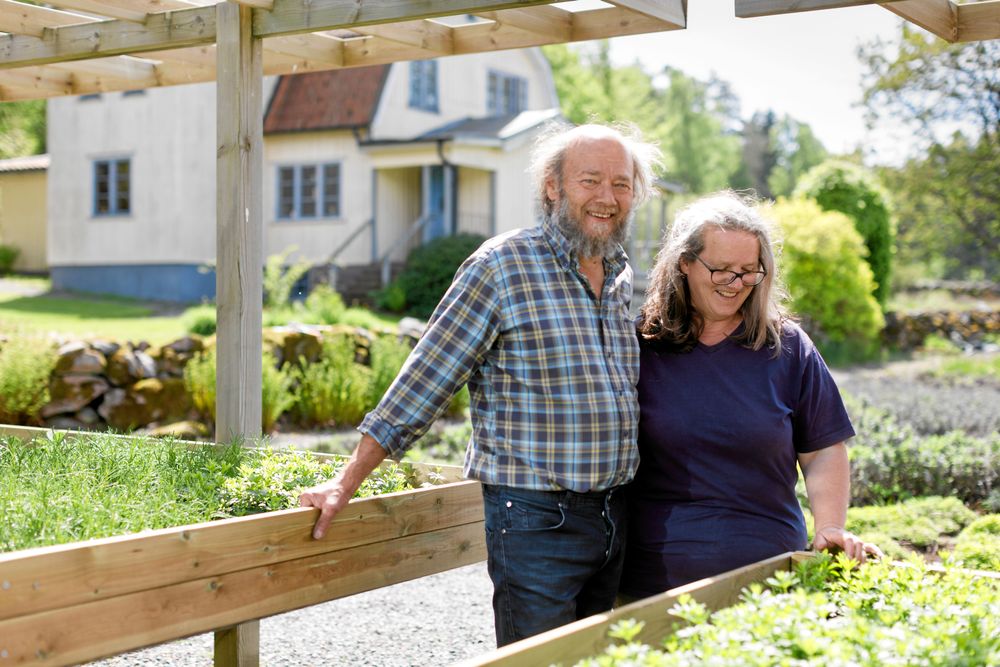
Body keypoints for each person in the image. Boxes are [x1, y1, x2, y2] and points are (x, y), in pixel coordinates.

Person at [299, 123, 662, 645]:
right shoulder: (501, 265)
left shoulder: (621, 274)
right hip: (538, 519)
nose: (608, 197)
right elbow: (424, 380)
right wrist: (345, 481)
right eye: (590, 180)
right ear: (553, 187)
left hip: (614, 513)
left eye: (622, 184)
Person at [618, 191, 882, 600]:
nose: (736, 284)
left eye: (748, 271)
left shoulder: (787, 347)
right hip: (655, 580)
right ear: (684, 263)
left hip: (771, 576)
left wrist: (829, 527)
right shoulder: (640, 346)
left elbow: (823, 450)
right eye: (721, 270)